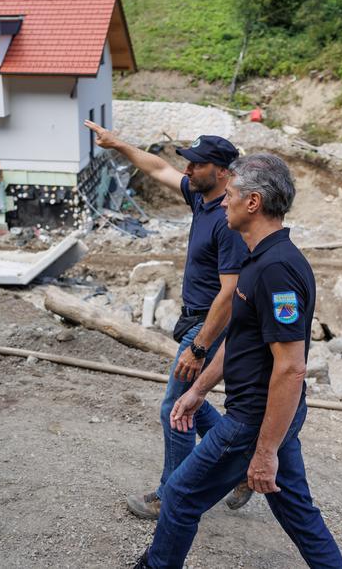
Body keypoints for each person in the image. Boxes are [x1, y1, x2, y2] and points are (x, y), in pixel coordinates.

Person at [133, 153, 342, 569]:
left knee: (179, 497)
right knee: (296, 512)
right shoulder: (256, 258)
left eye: (229, 195)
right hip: (268, 416)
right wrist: (198, 390)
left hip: (252, 420)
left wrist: (265, 451)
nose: (222, 202)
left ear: (253, 202)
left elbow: (291, 367)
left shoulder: (278, 269)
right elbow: (240, 339)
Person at [83, 120, 253, 519]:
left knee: (174, 407)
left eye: (197, 165)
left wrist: (199, 346)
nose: (188, 170)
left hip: (209, 325)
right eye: (189, 164)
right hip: (196, 320)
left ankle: (170, 494)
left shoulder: (228, 221)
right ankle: (239, 464)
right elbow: (158, 169)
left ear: (223, 172)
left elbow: (230, 294)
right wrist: (118, 143)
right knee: (190, 402)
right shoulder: (203, 198)